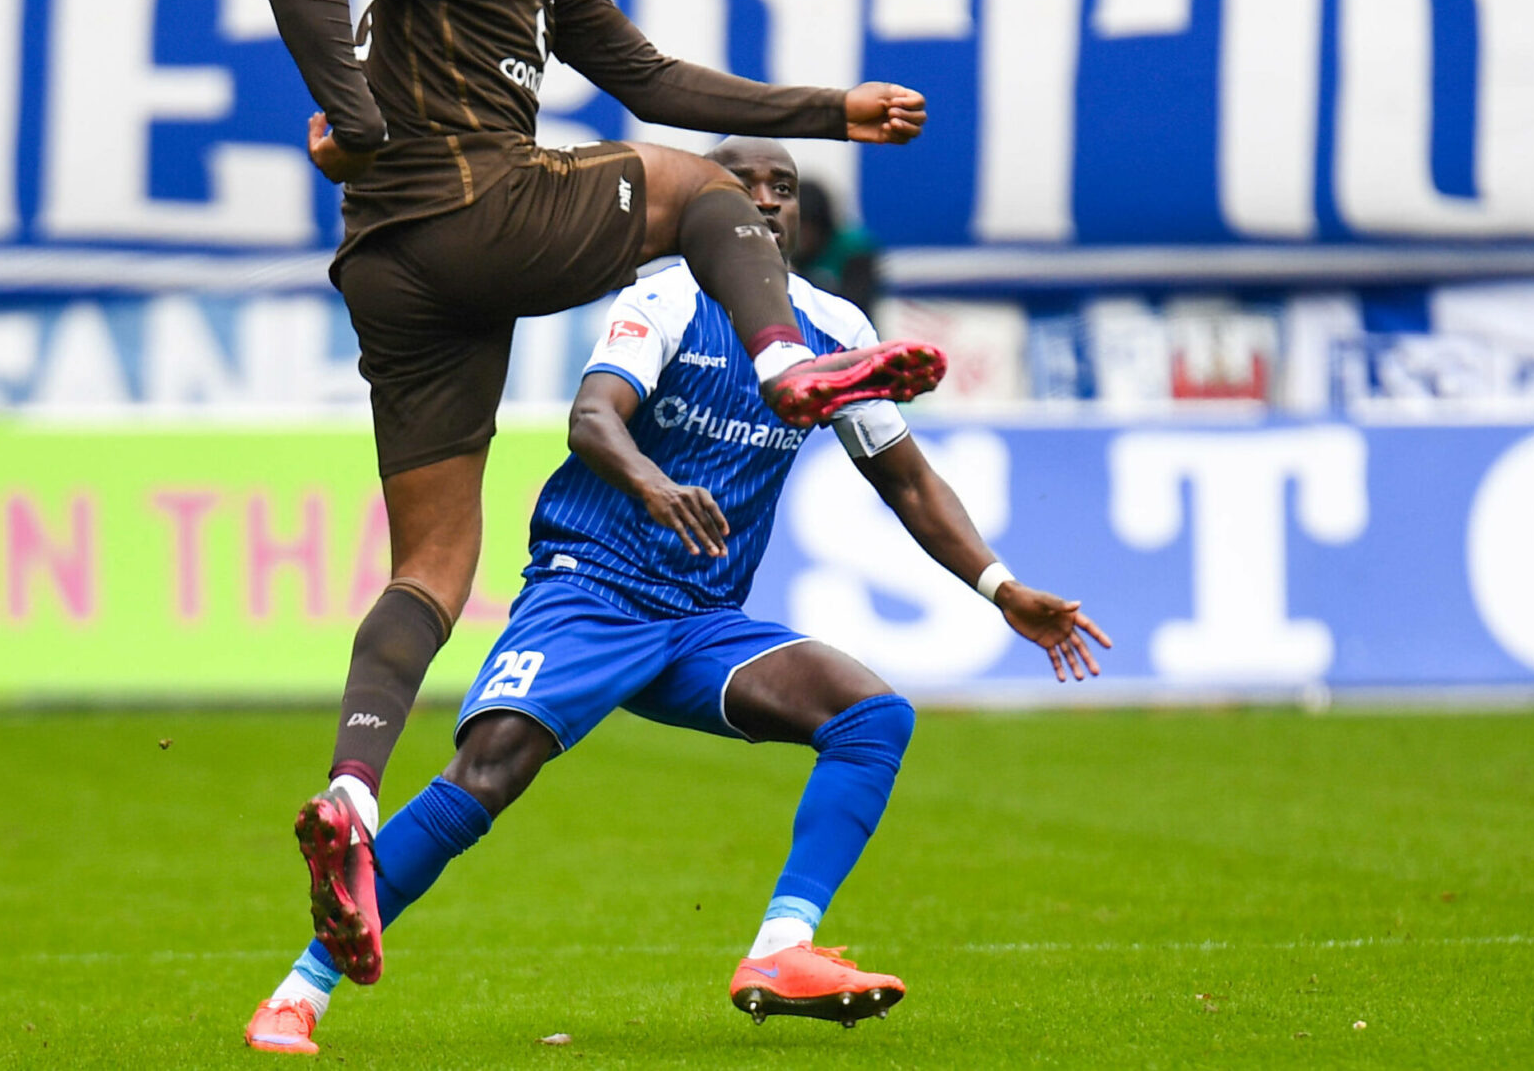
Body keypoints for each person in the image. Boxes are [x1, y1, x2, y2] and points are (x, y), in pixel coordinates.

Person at [255, 0, 946, 985]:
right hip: (467, 213)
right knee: (696, 189)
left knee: (432, 562)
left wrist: (826, 108)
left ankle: (351, 793)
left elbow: (649, 79)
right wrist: (352, 114)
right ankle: (786, 359)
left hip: (393, 270)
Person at [242, 140, 1108, 1054]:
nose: (767, 202)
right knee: (490, 769)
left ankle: (781, 948)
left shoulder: (835, 332)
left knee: (871, 716)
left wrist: (999, 586)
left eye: (785, 189)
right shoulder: (665, 298)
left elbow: (907, 480)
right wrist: (651, 484)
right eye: (744, 186)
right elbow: (591, 419)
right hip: (593, 591)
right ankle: (299, 992)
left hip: (700, 622)